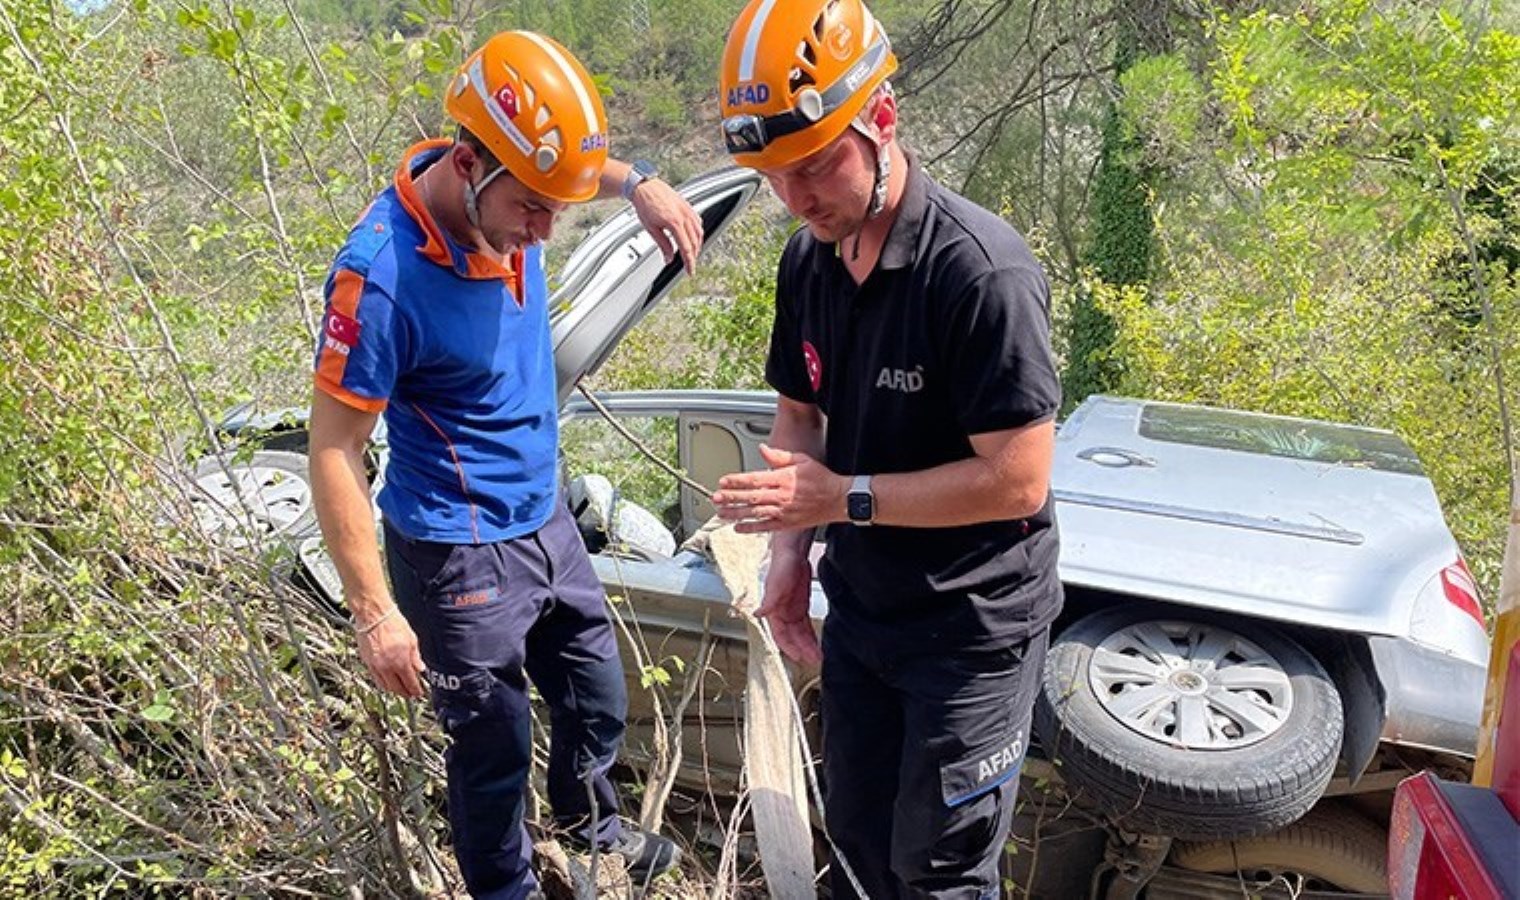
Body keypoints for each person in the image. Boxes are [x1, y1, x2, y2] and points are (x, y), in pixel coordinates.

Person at [308, 30, 701, 900]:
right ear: (467, 161)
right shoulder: (379, 280)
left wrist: (637, 183)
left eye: (558, 207)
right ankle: (505, 890)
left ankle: (590, 823)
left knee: (596, 690)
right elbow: (333, 449)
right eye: (533, 207)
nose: (547, 229)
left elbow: (565, 175)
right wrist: (374, 615)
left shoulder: (516, 195)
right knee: (493, 745)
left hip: (542, 512)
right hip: (454, 546)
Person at [710, 1, 1063, 896]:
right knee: (859, 846)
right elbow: (800, 417)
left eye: (816, 165)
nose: (797, 199)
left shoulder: (981, 273)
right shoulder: (809, 261)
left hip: (973, 630)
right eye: (775, 176)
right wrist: (790, 555)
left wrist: (842, 501)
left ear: (884, 121)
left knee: (938, 873)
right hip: (864, 612)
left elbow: (1018, 481)